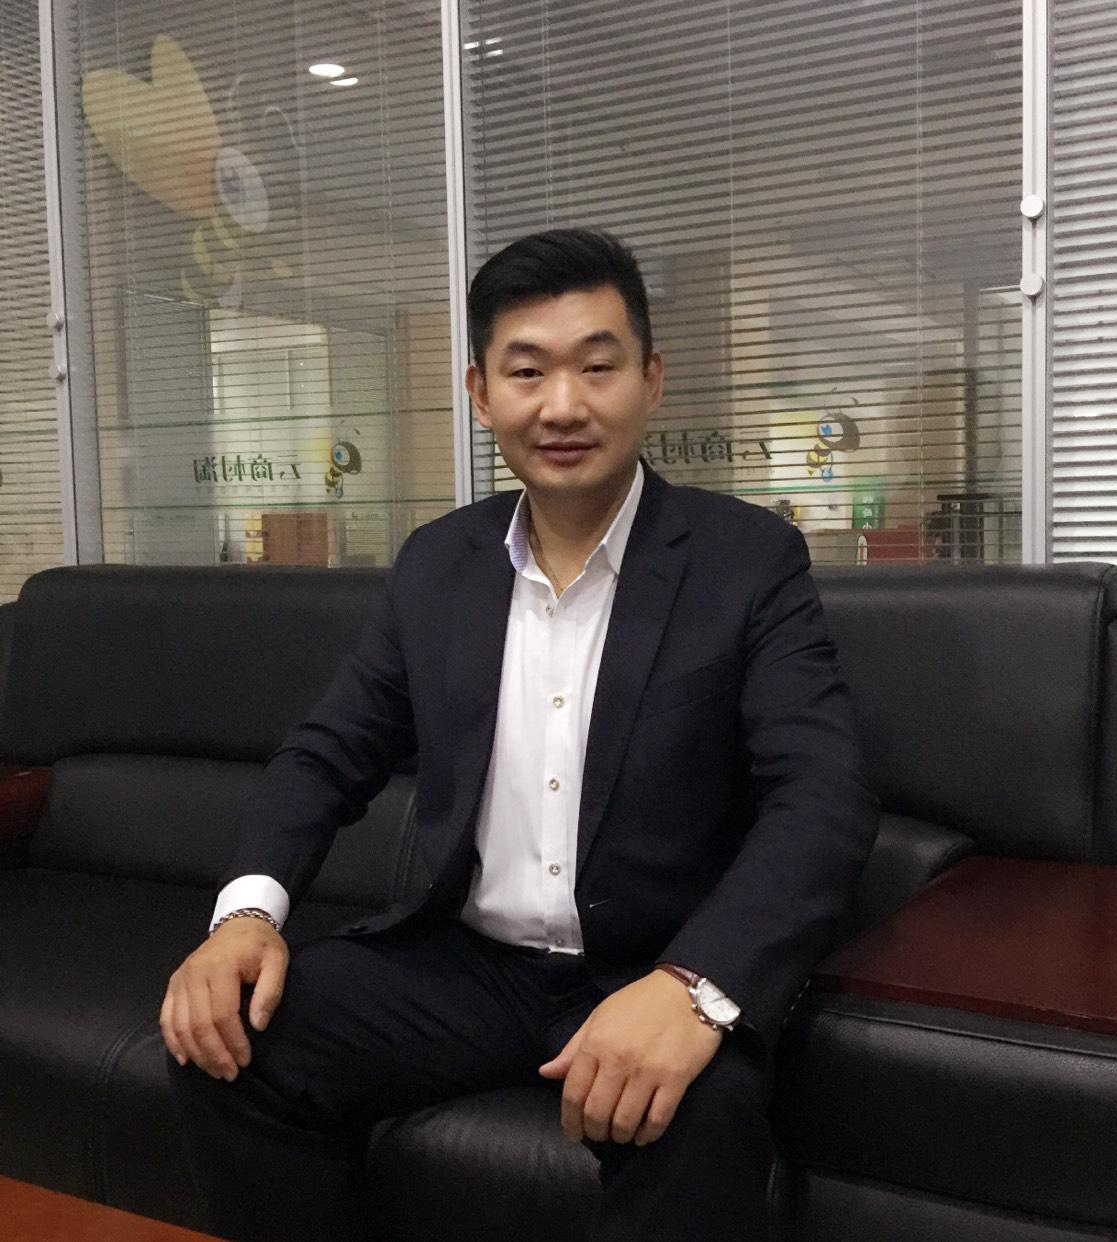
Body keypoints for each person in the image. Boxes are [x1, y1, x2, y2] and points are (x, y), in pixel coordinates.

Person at [161, 228, 878, 1242]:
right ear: (481, 393)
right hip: (465, 963)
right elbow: (327, 753)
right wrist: (245, 915)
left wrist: (695, 989)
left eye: (598, 367)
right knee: (226, 1046)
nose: (563, 405)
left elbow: (823, 796)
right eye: (528, 371)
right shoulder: (437, 565)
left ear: (651, 380)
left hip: (655, 964)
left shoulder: (745, 561)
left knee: (697, 1120)